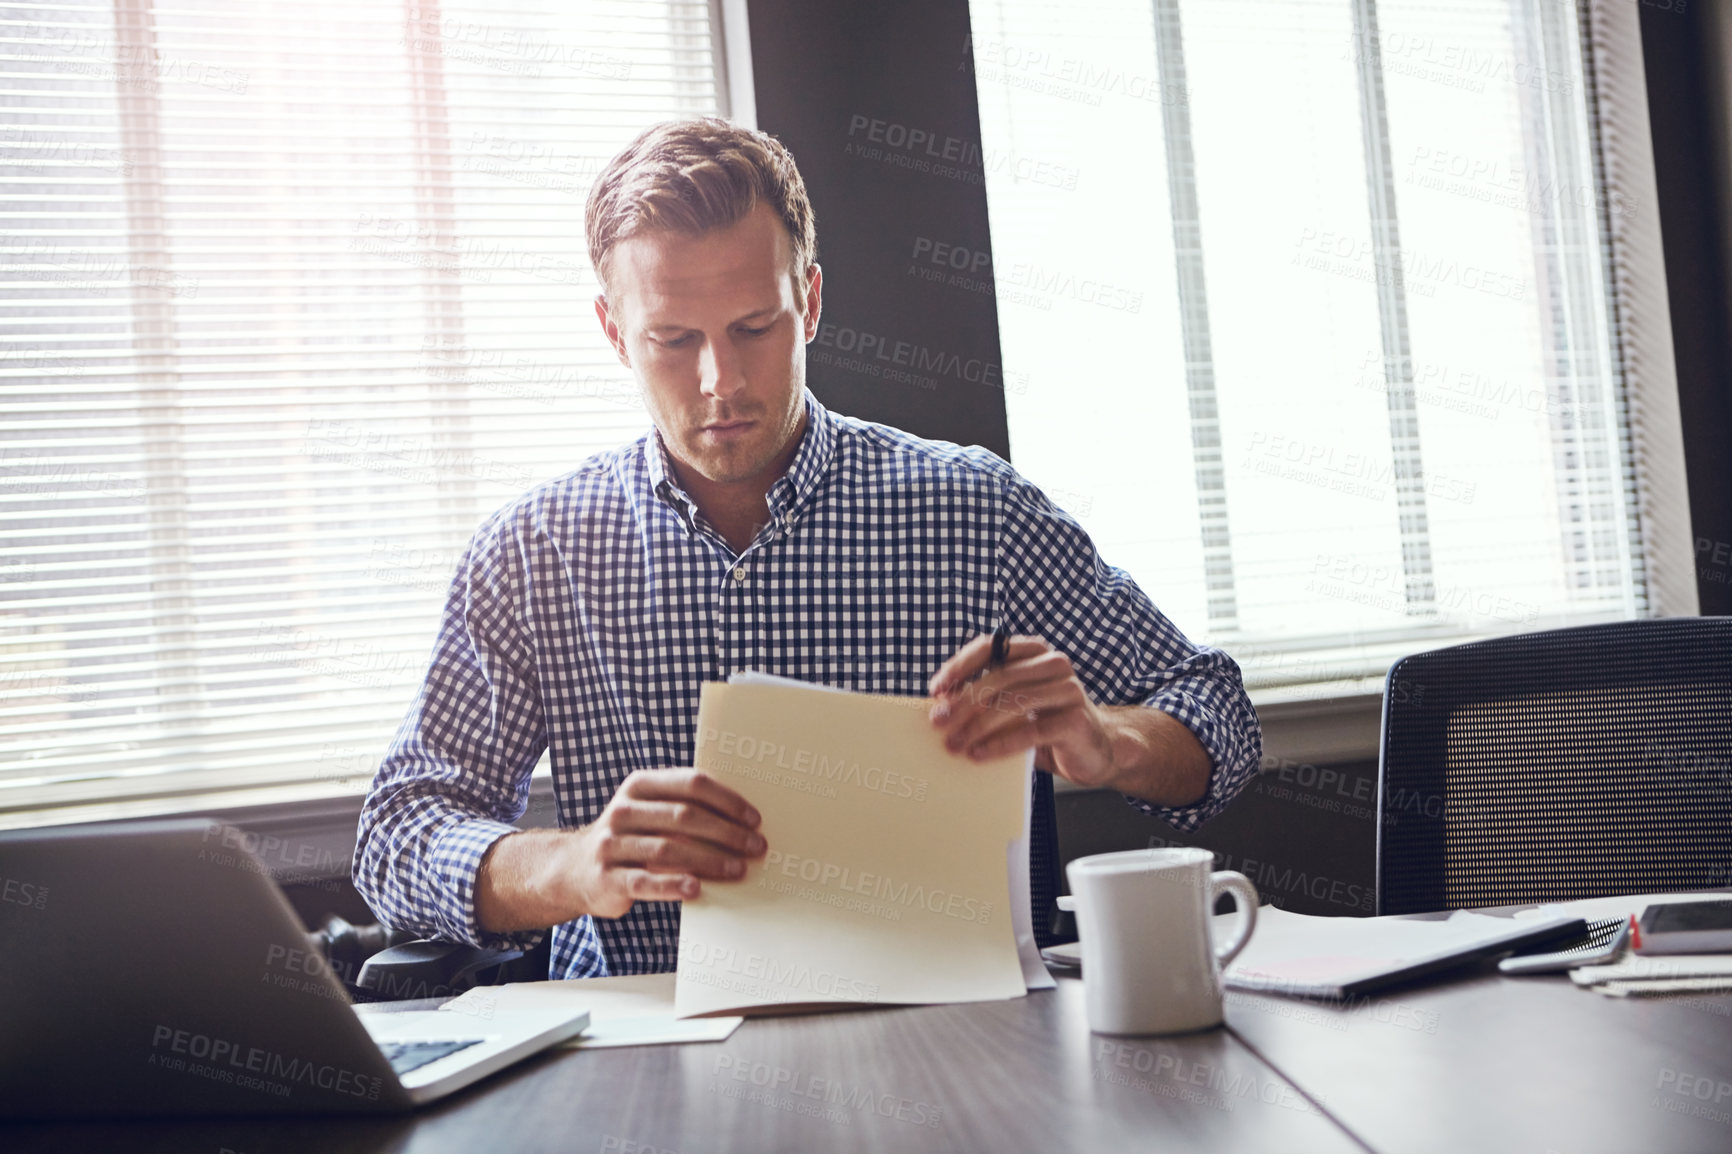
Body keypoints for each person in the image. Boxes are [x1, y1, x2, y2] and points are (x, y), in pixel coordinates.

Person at [353, 117, 1261, 980]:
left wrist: (1110, 740)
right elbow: (396, 835)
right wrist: (575, 866)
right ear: (612, 333)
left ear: (811, 301)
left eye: (756, 327)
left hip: (952, 1031)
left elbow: (1217, 712)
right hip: (648, 1046)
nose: (722, 381)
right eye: (673, 340)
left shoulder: (976, 513)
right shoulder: (534, 555)